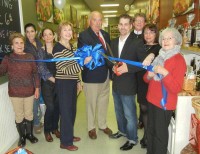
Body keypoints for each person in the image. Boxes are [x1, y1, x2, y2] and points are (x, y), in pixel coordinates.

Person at [143, 28, 186, 154]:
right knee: (150, 131)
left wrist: (164, 73)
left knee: (160, 136)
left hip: (164, 104)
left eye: (170, 38)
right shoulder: (159, 56)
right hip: (151, 99)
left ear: (177, 41)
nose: (165, 40)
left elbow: (176, 88)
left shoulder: (179, 59)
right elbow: (146, 79)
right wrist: (149, 75)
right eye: (163, 38)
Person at [109, 14, 146, 151]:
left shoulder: (137, 42)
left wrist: (128, 68)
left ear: (131, 26)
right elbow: (110, 59)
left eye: (126, 24)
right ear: (118, 26)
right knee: (118, 111)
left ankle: (132, 138)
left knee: (130, 114)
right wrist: (111, 66)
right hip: (116, 83)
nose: (123, 27)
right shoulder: (113, 42)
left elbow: (143, 63)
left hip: (129, 84)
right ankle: (122, 131)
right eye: (121, 24)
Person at [53, 21, 91, 151]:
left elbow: (74, 69)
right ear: (60, 33)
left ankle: (68, 135)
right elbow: (63, 69)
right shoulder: (57, 48)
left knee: (72, 111)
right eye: (65, 30)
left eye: (70, 30)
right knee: (66, 112)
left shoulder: (71, 47)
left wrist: (78, 81)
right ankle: (65, 142)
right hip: (63, 84)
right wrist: (82, 63)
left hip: (71, 82)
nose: (68, 32)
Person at [0, 32, 39, 147]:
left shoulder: (30, 57)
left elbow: (36, 73)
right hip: (15, 93)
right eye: (16, 43)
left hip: (29, 92)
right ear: (12, 45)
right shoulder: (8, 58)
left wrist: (37, 87)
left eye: (21, 43)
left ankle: (29, 134)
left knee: (29, 114)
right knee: (19, 115)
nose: (19, 45)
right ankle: (22, 137)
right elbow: (1, 71)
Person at [78, 11, 112, 139]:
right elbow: (85, 55)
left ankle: (102, 125)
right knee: (91, 103)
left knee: (104, 101)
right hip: (92, 76)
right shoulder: (83, 35)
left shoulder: (106, 35)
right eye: (95, 20)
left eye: (100, 20)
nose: (98, 23)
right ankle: (91, 127)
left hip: (105, 75)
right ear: (89, 21)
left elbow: (108, 53)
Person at [136, 24, 161, 148]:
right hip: (141, 81)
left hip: (152, 83)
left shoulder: (159, 47)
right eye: (146, 33)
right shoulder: (140, 46)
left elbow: (155, 55)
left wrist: (151, 56)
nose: (148, 35)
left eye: (151, 32)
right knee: (142, 108)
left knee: (149, 110)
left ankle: (148, 136)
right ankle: (146, 134)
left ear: (156, 34)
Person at [37, 27, 60, 142]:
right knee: (50, 107)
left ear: (53, 36)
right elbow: (41, 68)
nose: (47, 36)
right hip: (47, 82)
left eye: (50, 34)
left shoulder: (58, 49)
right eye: (45, 35)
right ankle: (47, 131)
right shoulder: (40, 50)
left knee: (57, 107)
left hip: (59, 82)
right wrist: (53, 79)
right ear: (42, 37)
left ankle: (55, 128)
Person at [24, 23, 43, 134]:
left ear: (35, 32)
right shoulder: (25, 46)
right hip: (32, 77)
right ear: (25, 33)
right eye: (27, 31)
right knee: (35, 101)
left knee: (42, 99)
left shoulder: (39, 42)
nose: (30, 33)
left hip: (42, 75)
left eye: (32, 31)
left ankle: (39, 119)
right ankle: (36, 124)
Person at [131, 12, 147, 129]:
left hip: (142, 73)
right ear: (133, 23)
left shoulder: (148, 36)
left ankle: (142, 119)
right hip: (130, 73)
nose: (139, 23)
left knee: (142, 100)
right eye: (137, 21)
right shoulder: (128, 36)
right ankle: (132, 120)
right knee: (130, 99)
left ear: (144, 23)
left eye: (141, 21)